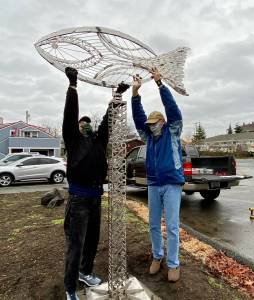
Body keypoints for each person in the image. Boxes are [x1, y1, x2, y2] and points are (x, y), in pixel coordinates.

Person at [63, 67, 128, 300]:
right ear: (78, 127)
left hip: (95, 198)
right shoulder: (73, 141)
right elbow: (70, 116)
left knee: (92, 241)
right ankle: (70, 289)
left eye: (89, 122)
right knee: (75, 245)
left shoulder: (99, 141)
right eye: (83, 123)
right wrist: (73, 86)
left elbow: (108, 122)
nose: (86, 125)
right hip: (79, 199)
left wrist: (117, 95)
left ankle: (85, 272)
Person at [131, 67, 185, 282]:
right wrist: (135, 94)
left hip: (172, 183)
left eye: (154, 124)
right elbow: (138, 118)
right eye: (149, 125)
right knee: (153, 223)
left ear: (162, 122)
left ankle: (173, 264)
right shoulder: (148, 137)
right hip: (153, 184)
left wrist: (160, 84)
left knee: (171, 226)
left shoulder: (173, 130)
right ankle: (157, 256)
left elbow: (173, 110)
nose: (151, 128)